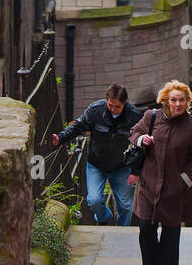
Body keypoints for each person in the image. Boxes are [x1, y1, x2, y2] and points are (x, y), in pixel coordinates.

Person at [128, 79, 192, 265]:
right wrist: (141, 139)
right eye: (173, 100)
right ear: (166, 100)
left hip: (174, 189)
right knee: (145, 227)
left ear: (187, 101)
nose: (177, 104)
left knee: (171, 232)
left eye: (181, 100)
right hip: (148, 185)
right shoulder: (151, 117)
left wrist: (183, 182)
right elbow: (133, 133)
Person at [53, 83, 141, 226]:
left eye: (117, 106)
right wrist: (61, 137)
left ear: (125, 103)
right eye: (110, 105)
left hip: (121, 166)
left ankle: (122, 232)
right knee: (93, 200)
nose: (113, 109)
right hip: (97, 163)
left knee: (125, 206)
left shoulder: (135, 116)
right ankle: (104, 218)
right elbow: (78, 126)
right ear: (106, 101)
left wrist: (136, 170)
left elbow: (141, 145)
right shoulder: (96, 110)